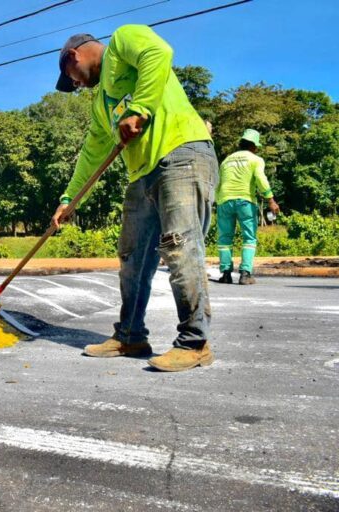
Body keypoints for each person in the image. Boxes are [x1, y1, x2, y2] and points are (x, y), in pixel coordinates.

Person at [52, 25, 219, 372]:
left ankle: (194, 342)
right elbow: (93, 152)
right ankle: (130, 335)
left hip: (181, 154)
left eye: (73, 78)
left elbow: (159, 54)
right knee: (132, 258)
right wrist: (70, 199)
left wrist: (140, 108)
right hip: (142, 174)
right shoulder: (101, 104)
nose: (77, 86)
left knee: (180, 247)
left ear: (74, 56)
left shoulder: (124, 40)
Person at [215, 129, 280, 285]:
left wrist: (218, 201)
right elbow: (260, 179)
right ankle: (245, 274)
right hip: (245, 201)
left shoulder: (226, 161)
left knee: (224, 239)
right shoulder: (255, 159)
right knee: (249, 238)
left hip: (224, 201)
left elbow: (218, 183)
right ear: (253, 146)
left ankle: (226, 274)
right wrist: (270, 200)